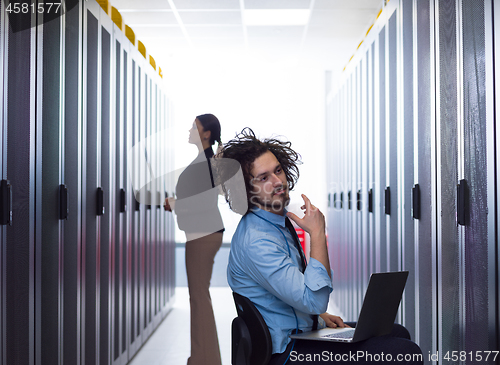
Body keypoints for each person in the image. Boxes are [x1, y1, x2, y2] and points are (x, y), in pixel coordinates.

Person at [220, 128, 423, 365]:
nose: (278, 182)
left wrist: (319, 317)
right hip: (287, 353)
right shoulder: (257, 240)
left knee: (396, 333)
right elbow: (314, 299)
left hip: (299, 333)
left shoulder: (276, 223)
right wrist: (317, 233)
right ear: (245, 189)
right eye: (263, 178)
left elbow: (297, 292)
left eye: (278, 170)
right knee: (403, 351)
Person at [164, 114, 224, 365]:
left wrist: (175, 204)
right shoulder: (204, 160)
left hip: (203, 235)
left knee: (199, 298)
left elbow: (206, 201)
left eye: (194, 126)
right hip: (203, 234)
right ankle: (203, 357)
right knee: (199, 297)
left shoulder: (206, 162)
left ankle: (203, 360)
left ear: (206, 134)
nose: (190, 130)